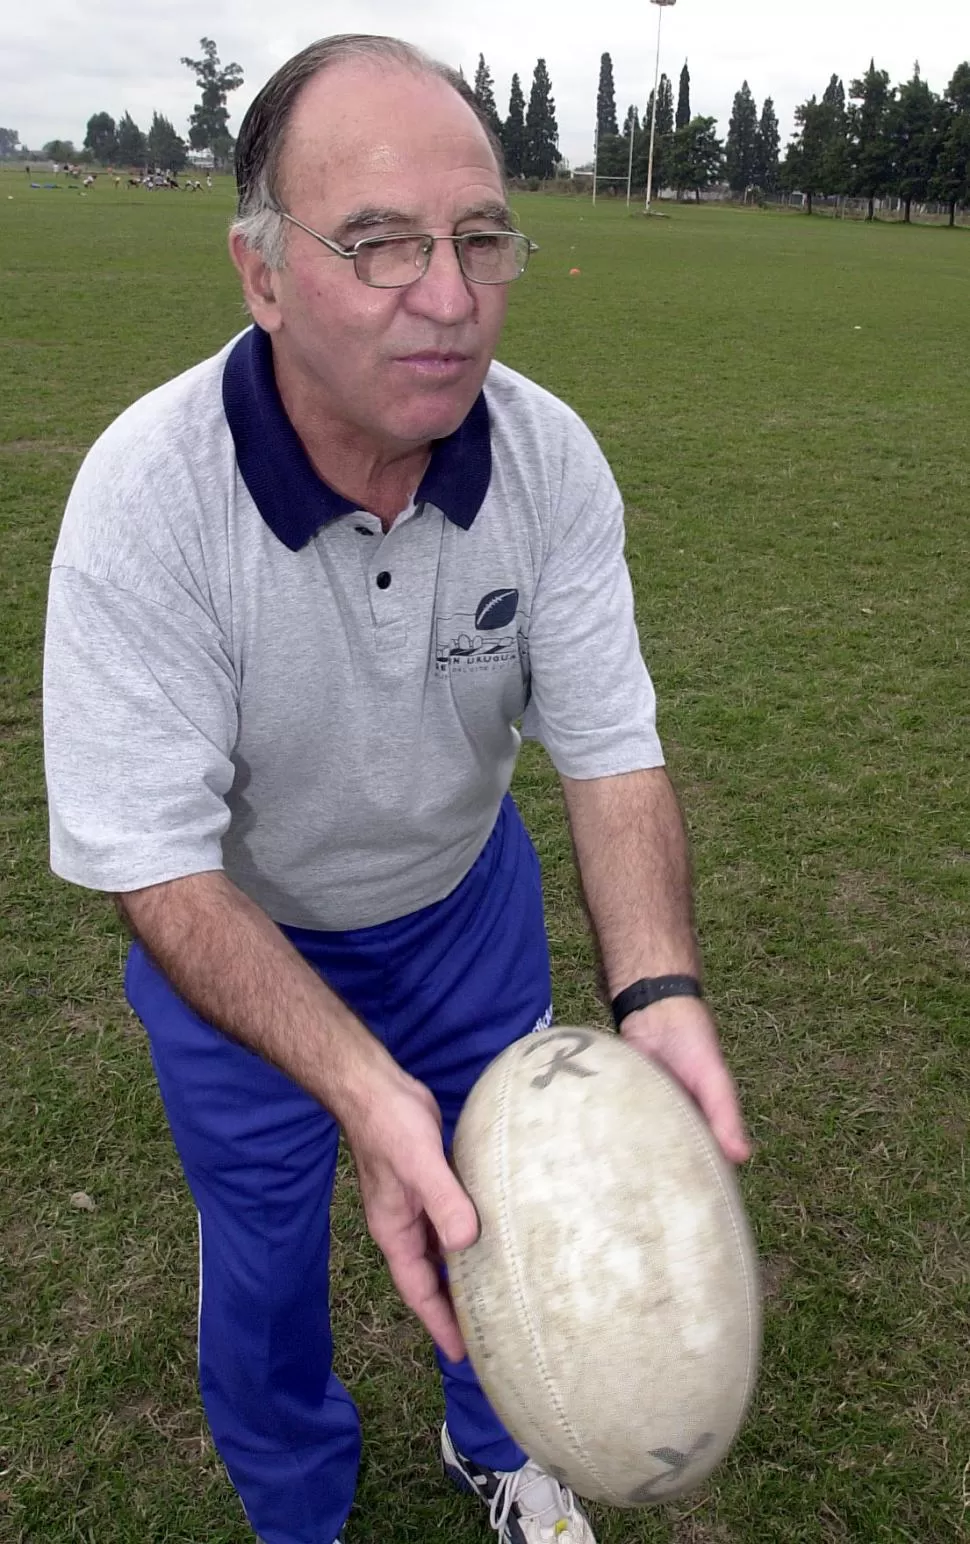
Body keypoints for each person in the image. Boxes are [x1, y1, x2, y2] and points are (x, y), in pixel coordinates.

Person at [43, 32, 750, 1544]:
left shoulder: (547, 459)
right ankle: (300, 1506)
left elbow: (609, 746)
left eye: (480, 238)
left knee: (509, 1210)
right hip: (242, 938)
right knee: (265, 1261)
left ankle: (505, 1442)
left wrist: (658, 991)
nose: (449, 296)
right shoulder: (146, 498)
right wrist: (364, 1092)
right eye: (379, 245)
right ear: (261, 274)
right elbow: (152, 858)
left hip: (460, 907)